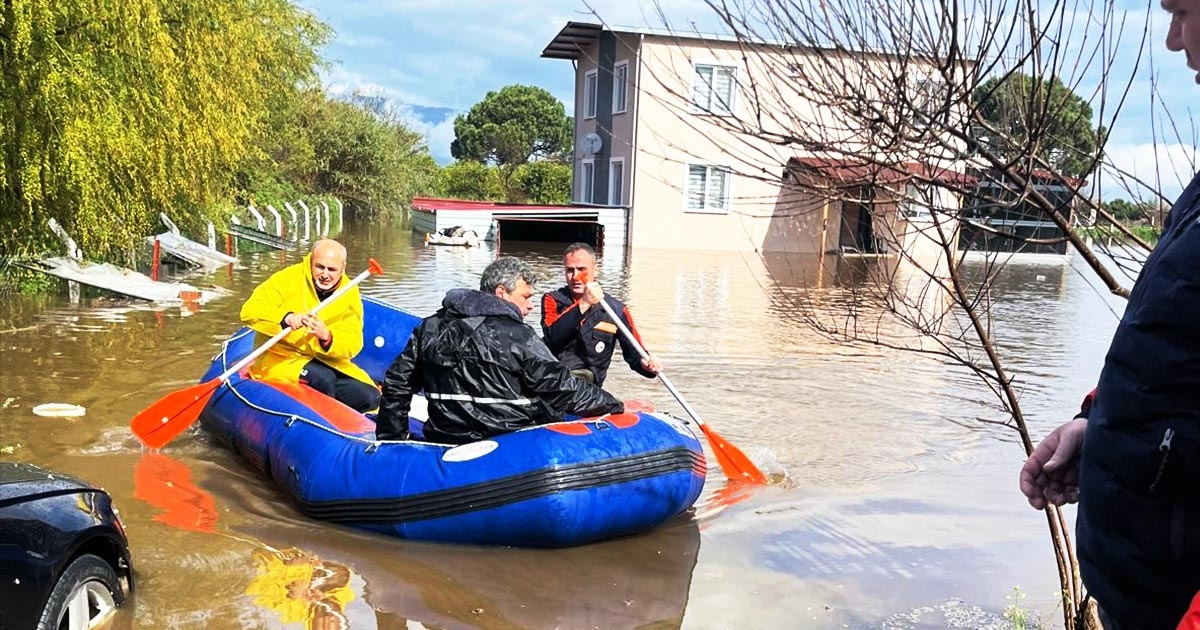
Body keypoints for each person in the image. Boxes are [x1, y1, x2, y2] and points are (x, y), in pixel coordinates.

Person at [1019, 2, 1200, 625]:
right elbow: (1170, 355)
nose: (1175, 41)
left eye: (1184, 13)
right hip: (1140, 593)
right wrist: (1097, 423)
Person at [375, 256, 626, 443]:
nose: (530, 305)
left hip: (445, 436)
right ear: (501, 293)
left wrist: (391, 440)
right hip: (508, 442)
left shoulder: (431, 326)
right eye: (526, 297)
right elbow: (562, 388)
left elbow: (398, 383)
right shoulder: (519, 336)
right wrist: (614, 405)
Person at [239, 239, 380, 412]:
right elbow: (250, 311)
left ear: (342, 269)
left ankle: (346, 425)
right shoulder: (288, 277)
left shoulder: (349, 292)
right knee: (323, 379)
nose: (325, 275)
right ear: (311, 262)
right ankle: (320, 422)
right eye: (320, 267)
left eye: (332, 269)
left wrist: (327, 337)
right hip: (281, 357)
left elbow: (353, 343)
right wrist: (285, 318)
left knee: (370, 396)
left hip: (325, 361)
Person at [540, 242, 662, 386]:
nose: (576, 277)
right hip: (555, 384)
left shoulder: (617, 310)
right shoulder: (552, 300)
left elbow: (634, 352)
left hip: (590, 389)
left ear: (595, 270)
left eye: (581, 270)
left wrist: (647, 364)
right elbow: (552, 336)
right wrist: (583, 304)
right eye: (570, 270)